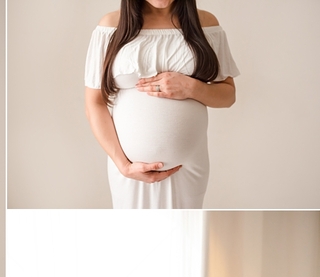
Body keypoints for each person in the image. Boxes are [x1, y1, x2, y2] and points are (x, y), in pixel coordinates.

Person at [84, 0, 239, 209]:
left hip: (188, 168)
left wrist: (192, 88)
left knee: (186, 230)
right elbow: (94, 103)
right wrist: (123, 165)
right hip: (130, 170)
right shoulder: (112, 26)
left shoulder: (205, 24)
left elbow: (228, 95)